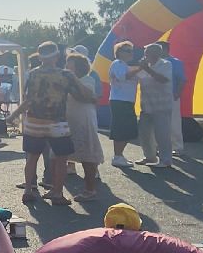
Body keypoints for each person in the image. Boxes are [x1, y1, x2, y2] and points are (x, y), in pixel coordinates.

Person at [13, 42, 91, 205]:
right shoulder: (65, 75)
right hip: (57, 122)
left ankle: (28, 190)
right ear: (56, 56)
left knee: (32, 158)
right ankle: (57, 193)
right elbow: (82, 93)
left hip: (34, 120)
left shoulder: (33, 74)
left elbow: (28, 99)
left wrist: (14, 114)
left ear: (40, 56)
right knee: (61, 158)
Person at [63, 53, 105, 201]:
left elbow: (85, 96)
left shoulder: (88, 80)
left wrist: (72, 80)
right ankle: (57, 190)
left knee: (88, 154)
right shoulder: (66, 81)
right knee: (65, 154)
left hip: (84, 120)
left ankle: (90, 189)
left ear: (79, 66)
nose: (67, 67)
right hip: (70, 121)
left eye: (70, 64)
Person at [135, 42, 176, 170]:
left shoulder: (165, 64)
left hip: (162, 106)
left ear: (156, 54)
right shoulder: (143, 66)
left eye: (147, 53)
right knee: (144, 133)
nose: (145, 56)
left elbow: (163, 79)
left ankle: (166, 160)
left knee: (162, 134)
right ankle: (150, 156)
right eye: (145, 53)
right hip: (146, 105)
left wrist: (147, 69)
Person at [106, 42, 143, 168]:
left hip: (127, 101)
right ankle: (117, 156)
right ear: (120, 52)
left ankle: (119, 155)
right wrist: (140, 68)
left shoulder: (127, 66)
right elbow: (123, 77)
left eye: (131, 51)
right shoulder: (117, 64)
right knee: (121, 128)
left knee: (128, 128)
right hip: (119, 100)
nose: (131, 53)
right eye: (128, 50)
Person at [157, 40, 187, 160]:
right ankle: (160, 146)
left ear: (164, 49)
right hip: (157, 96)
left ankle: (178, 147)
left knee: (174, 122)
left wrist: (177, 93)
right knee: (159, 122)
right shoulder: (156, 62)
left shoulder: (175, 62)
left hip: (171, 95)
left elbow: (182, 79)